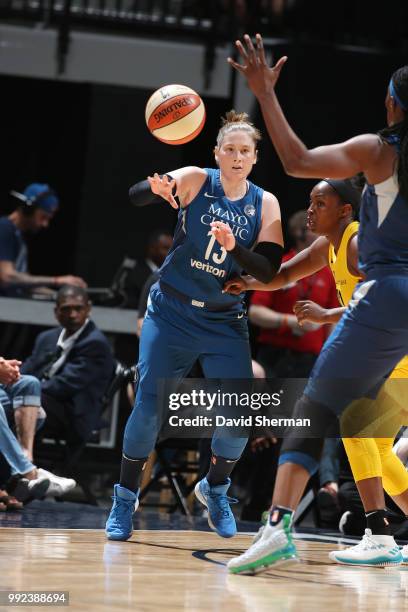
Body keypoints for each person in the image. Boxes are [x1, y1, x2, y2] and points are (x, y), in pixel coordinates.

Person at [225, 34, 408, 569]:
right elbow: (283, 275)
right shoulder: (330, 238)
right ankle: (378, 531)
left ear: (391, 104)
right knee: (358, 423)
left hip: (390, 294)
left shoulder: (380, 151)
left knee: (317, 406)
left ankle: (278, 526)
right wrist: (255, 282)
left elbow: (296, 158)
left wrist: (264, 92)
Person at [105, 110, 284, 541]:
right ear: (217, 153)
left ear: (255, 157)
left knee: (240, 416)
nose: (237, 156)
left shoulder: (266, 203)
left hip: (223, 319)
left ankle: (215, 487)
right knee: (149, 407)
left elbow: (267, 268)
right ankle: (125, 499)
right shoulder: (195, 178)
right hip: (173, 311)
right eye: (230, 149)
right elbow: (135, 196)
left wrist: (233, 246)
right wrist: (155, 189)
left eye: (246, 151)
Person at [21, 285, 116, 452]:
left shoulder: (95, 343)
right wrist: (13, 379)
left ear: (88, 309)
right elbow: (29, 367)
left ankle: (20, 462)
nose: (73, 315)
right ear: (56, 311)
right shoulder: (47, 338)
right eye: (66, 309)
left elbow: (65, 386)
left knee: (22, 400)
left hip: (72, 412)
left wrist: (26, 387)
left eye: (78, 308)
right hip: (44, 400)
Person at [250, 209, 337, 378]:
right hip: (273, 355)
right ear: (299, 232)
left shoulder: (330, 273)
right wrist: (289, 322)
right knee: (263, 403)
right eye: (316, 229)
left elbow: (333, 320)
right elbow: (254, 312)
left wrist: (330, 357)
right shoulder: (280, 266)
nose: (324, 235)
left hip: (310, 360)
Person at [0, 183, 86, 296]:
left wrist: (62, 296)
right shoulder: (4, 228)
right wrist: (57, 280)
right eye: (43, 217)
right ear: (28, 209)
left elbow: (25, 284)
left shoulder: (19, 237)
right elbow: (6, 277)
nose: (45, 224)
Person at [124, 230, 173, 309]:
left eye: (173, 248)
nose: (170, 252)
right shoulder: (135, 274)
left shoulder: (175, 275)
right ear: (152, 249)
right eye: (165, 248)